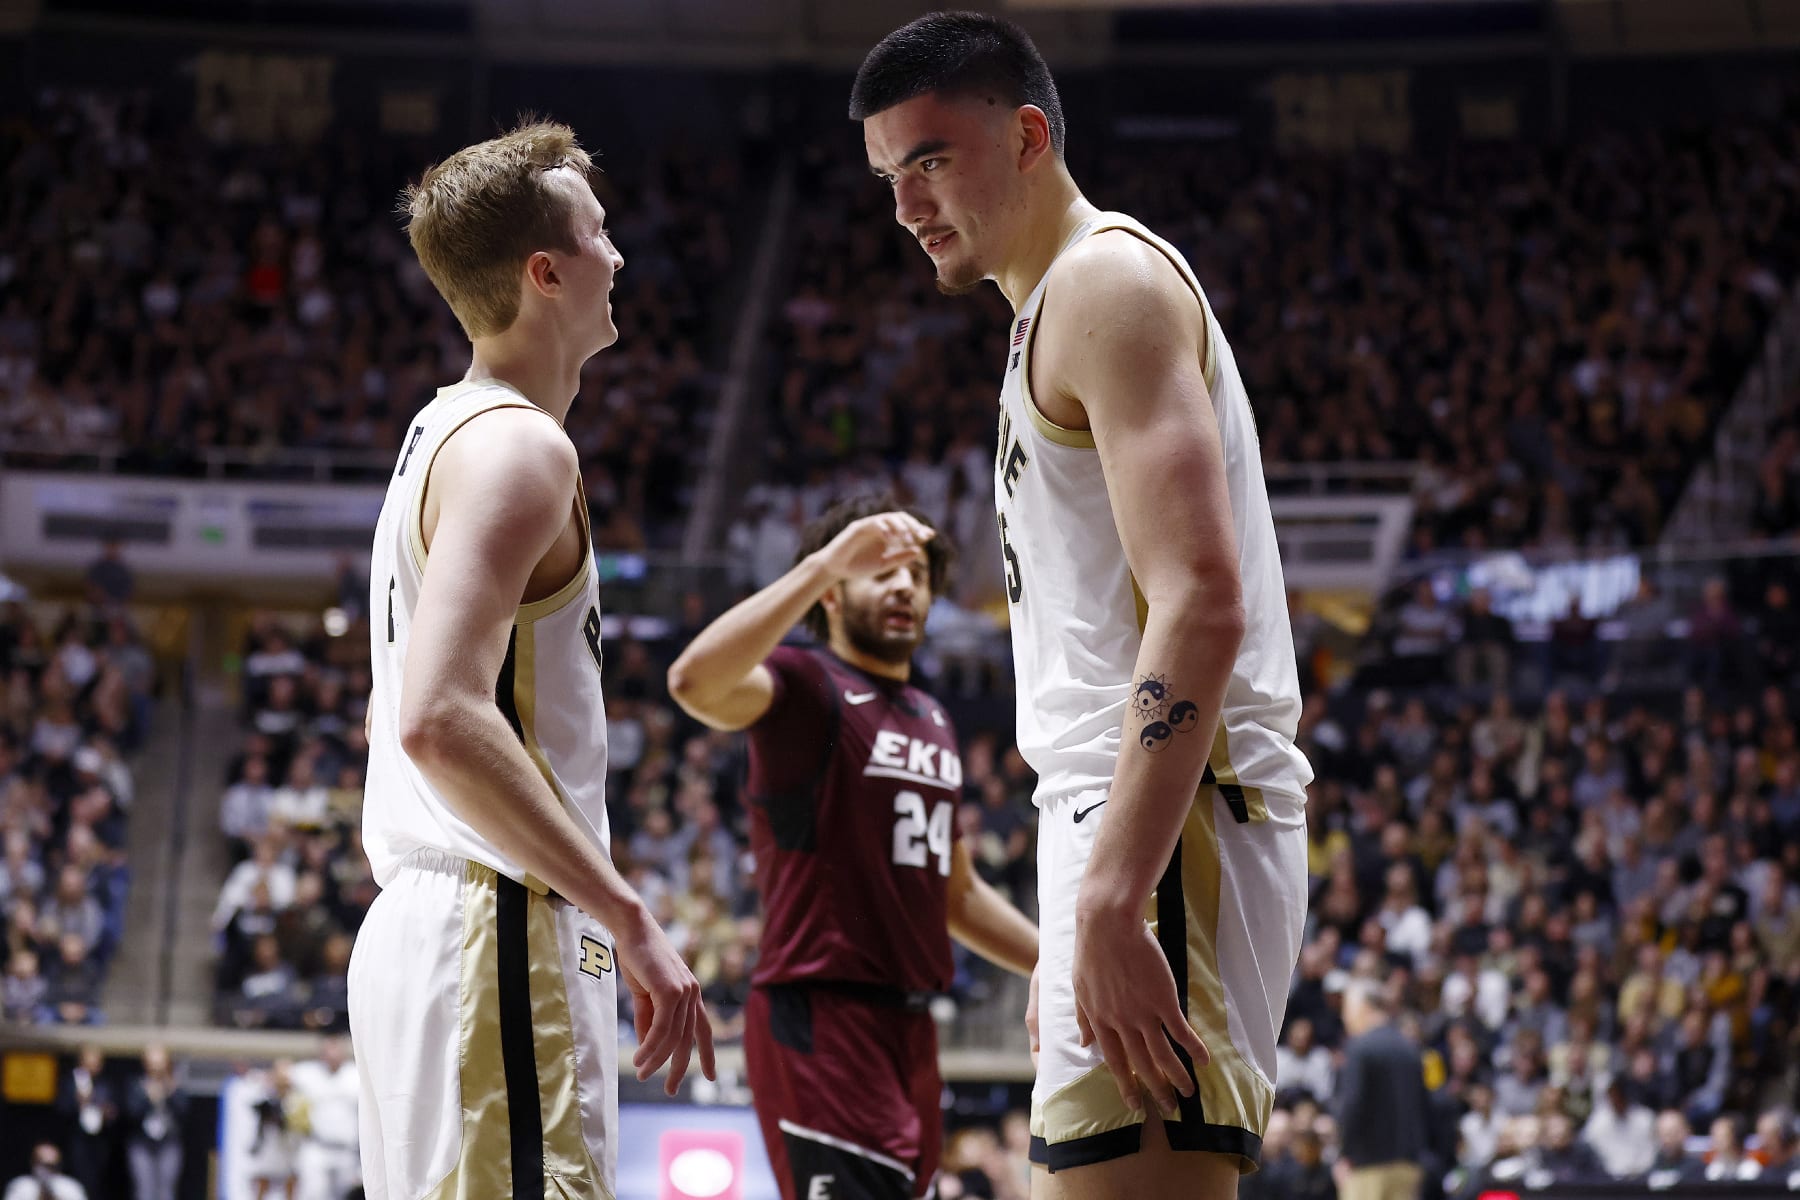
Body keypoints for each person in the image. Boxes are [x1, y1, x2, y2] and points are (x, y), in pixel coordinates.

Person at [854, 13, 1312, 1198]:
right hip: (1132, 821)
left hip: (1167, 821)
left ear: (1027, 134)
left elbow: (1200, 601)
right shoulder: (1050, 310)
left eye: (932, 160)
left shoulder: (1105, 280)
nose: (908, 205)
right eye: (889, 175)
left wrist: (1115, 891)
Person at [352, 120, 713, 1200]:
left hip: (443, 927)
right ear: (545, 273)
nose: (620, 257)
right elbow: (438, 716)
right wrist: (628, 914)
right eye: (598, 235)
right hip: (494, 919)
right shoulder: (517, 446)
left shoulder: (441, 431)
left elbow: (411, 714)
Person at [668, 495, 1039, 1200]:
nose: (904, 586)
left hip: (911, 1030)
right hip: (820, 1018)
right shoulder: (806, 684)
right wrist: (820, 562)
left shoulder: (932, 717)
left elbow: (955, 894)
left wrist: (1059, 966)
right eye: (880, 570)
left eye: (918, 575)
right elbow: (692, 680)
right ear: (832, 592)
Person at [1333, 980, 1427, 1200]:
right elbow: (1424, 1107)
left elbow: (1353, 1104)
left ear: (1364, 1007)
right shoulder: (1410, 1048)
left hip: (1367, 1167)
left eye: (1347, 1010)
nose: (1345, 1018)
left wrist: (1344, 1154)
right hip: (1408, 1165)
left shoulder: (1360, 1047)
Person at [290, 1035, 360, 1200]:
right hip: (317, 1147)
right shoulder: (308, 1073)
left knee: (347, 1195)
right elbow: (280, 1073)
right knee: (313, 1193)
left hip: (346, 1150)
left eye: (336, 1049)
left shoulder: (355, 1074)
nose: (332, 1055)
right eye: (328, 1050)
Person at [124, 1044, 187, 1200]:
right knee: (145, 1190)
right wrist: (147, 1099)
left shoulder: (173, 1084)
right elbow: (131, 1112)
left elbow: (184, 1111)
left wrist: (170, 1092)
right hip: (142, 1143)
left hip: (168, 1142)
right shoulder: (136, 1083)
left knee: (166, 1191)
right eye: (153, 1065)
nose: (156, 1069)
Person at [4, 1145, 86, 1200]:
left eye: (52, 1165)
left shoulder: (71, 1187)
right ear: (33, 1162)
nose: (47, 1170)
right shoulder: (20, 1186)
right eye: (43, 1164)